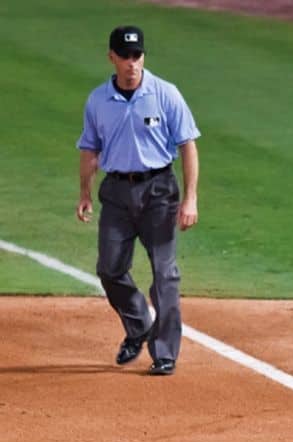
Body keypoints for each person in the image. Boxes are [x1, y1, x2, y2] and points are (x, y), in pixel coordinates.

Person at [75, 25, 200, 376]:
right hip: (116, 193)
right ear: (111, 57)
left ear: (143, 56)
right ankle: (138, 326)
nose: (132, 63)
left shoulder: (165, 94)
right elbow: (89, 148)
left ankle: (164, 353)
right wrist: (85, 193)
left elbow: (188, 145)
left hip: (159, 190)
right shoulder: (98, 100)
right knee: (109, 269)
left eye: (137, 55)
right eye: (125, 56)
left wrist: (190, 199)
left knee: (165, 273)